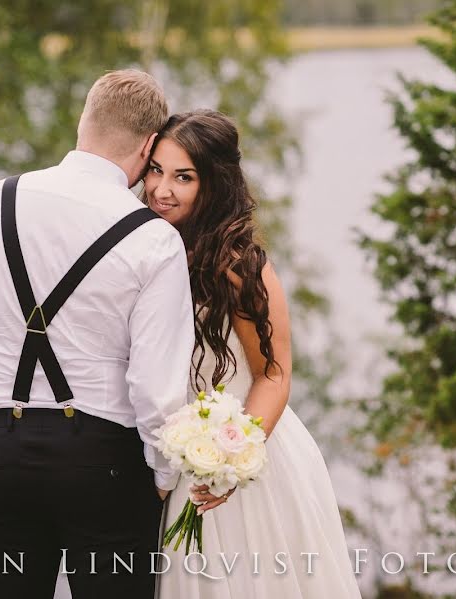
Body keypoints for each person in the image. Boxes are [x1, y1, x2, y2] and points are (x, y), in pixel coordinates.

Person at [0, 70, 194, 599]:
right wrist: (162, 475)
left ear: (83, 123)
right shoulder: (154, 240)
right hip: (104, 464)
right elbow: (154, 384)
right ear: (147, 146)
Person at [144, 109, 362, 598]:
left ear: (214, 184)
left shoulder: (240, 266)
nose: (161, 189)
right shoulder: (143, 250)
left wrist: (228, 460)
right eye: (156, 169)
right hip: (169, 464)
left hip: (241, 465)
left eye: (183, 177)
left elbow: (274, 374)